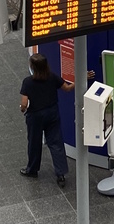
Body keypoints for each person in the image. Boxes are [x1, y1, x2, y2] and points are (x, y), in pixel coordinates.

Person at [19, 53, 74, 187]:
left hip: (35, 116)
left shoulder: (27, 82)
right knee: (56, 143)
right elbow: (66, 88)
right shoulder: (52, 77)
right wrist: (79, 79)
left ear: (32, 67)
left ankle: (32, 170)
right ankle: (61, 174)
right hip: (52, 113)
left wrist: (22, 108)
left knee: (34, 142)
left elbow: (24, 104)